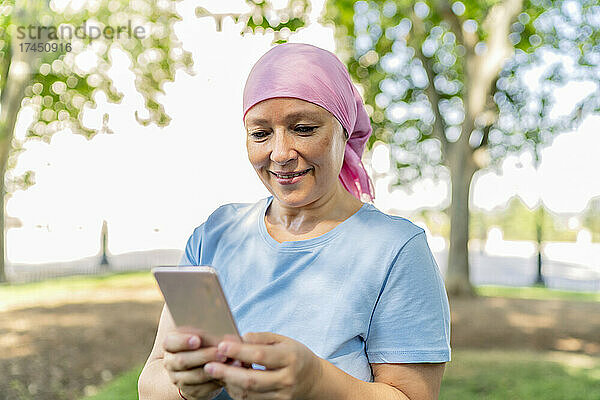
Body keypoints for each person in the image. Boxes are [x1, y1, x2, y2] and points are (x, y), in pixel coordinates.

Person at [138, 42, 451, 400]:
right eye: (260, 133)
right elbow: (151, 379)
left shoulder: (395, 249)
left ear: (344, 131)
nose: (281, 153)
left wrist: (319, 383)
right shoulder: (216, 233)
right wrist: (183, 388)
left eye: (303, 128)